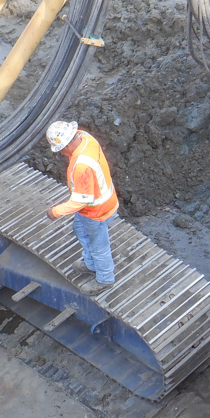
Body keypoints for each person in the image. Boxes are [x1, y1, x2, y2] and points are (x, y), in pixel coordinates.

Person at [45, 121, 119, 296]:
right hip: (102, 204)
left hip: (96, 212)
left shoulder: (81, 167)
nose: (61, 153)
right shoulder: (85, 137)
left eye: (61, 148)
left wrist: (55, 212)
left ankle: (105, 279)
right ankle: (90, 263)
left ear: (68, 143)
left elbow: (81, 201)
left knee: (98, 246)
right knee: (79, 229)